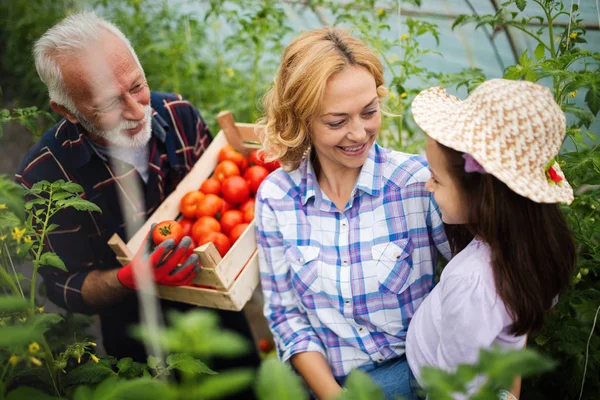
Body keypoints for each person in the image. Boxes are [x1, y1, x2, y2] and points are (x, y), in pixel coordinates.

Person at [16, 12, 260, 393]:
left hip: (214, 298)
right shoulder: (45, 176)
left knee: (246, 383)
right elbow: (64, 286)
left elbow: (218, 191)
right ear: (66, 110)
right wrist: (130, 278)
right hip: (134, 326)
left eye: (138, 86)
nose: (135, 111)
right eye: (109, 103)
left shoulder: (179, 116)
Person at [254, 27, 450, 400]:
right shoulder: (277, 198)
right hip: (324, 385)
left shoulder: (417, 184)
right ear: (301, 120)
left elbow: (477, 283)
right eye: (336, 121)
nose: (359, 133)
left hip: (413, 377)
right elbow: (286, 316)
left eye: (369, 112)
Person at [406, 79, 576, 399]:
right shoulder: (535, 253)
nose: (429, 186)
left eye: (437, 179)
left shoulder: (471, 279)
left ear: (481, 195)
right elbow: (513, 335)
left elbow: (453, 386)